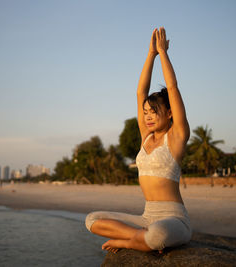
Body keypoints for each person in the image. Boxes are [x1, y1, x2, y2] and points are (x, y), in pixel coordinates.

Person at [85, 27, 191, 253]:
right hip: (146, 217)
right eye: (146, 112)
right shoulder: (146, 136)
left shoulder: (177, 137)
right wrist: (150, 54)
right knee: (92, 220)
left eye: (154, 111)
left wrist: (162, 52)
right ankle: (140, 240)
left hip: (174, 219)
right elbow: (140, 92)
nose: (148, 116)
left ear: (170, 113)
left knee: (158, 234)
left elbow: (172, 87)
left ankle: (130, 241)